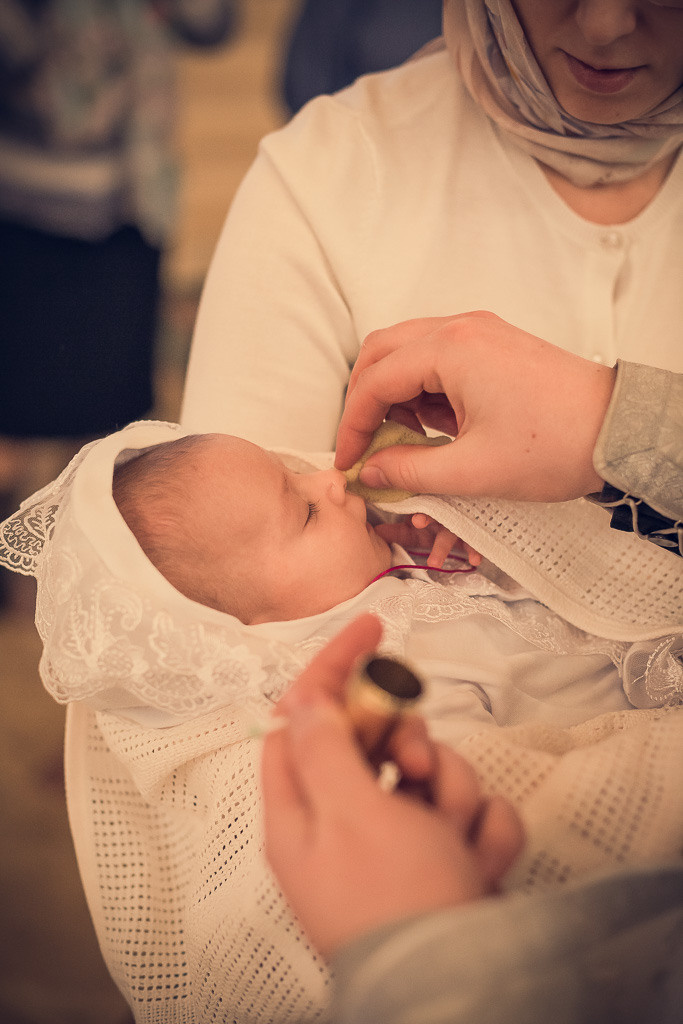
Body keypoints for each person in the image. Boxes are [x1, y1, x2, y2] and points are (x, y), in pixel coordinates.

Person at [1, 417, 680, 1021]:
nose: (328, 480)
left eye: (292, 470)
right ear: (251, 632)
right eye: (302, 512)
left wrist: (470, 546)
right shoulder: (365, 681)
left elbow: (531, 583)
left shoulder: (379, 566)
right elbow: (467, 766)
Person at [0, 0, 235, 484]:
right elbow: (14, 48)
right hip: (27, 209)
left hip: (135, 202)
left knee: (111, 419)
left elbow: (211, 25)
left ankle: (87, 519)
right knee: (16, 412)